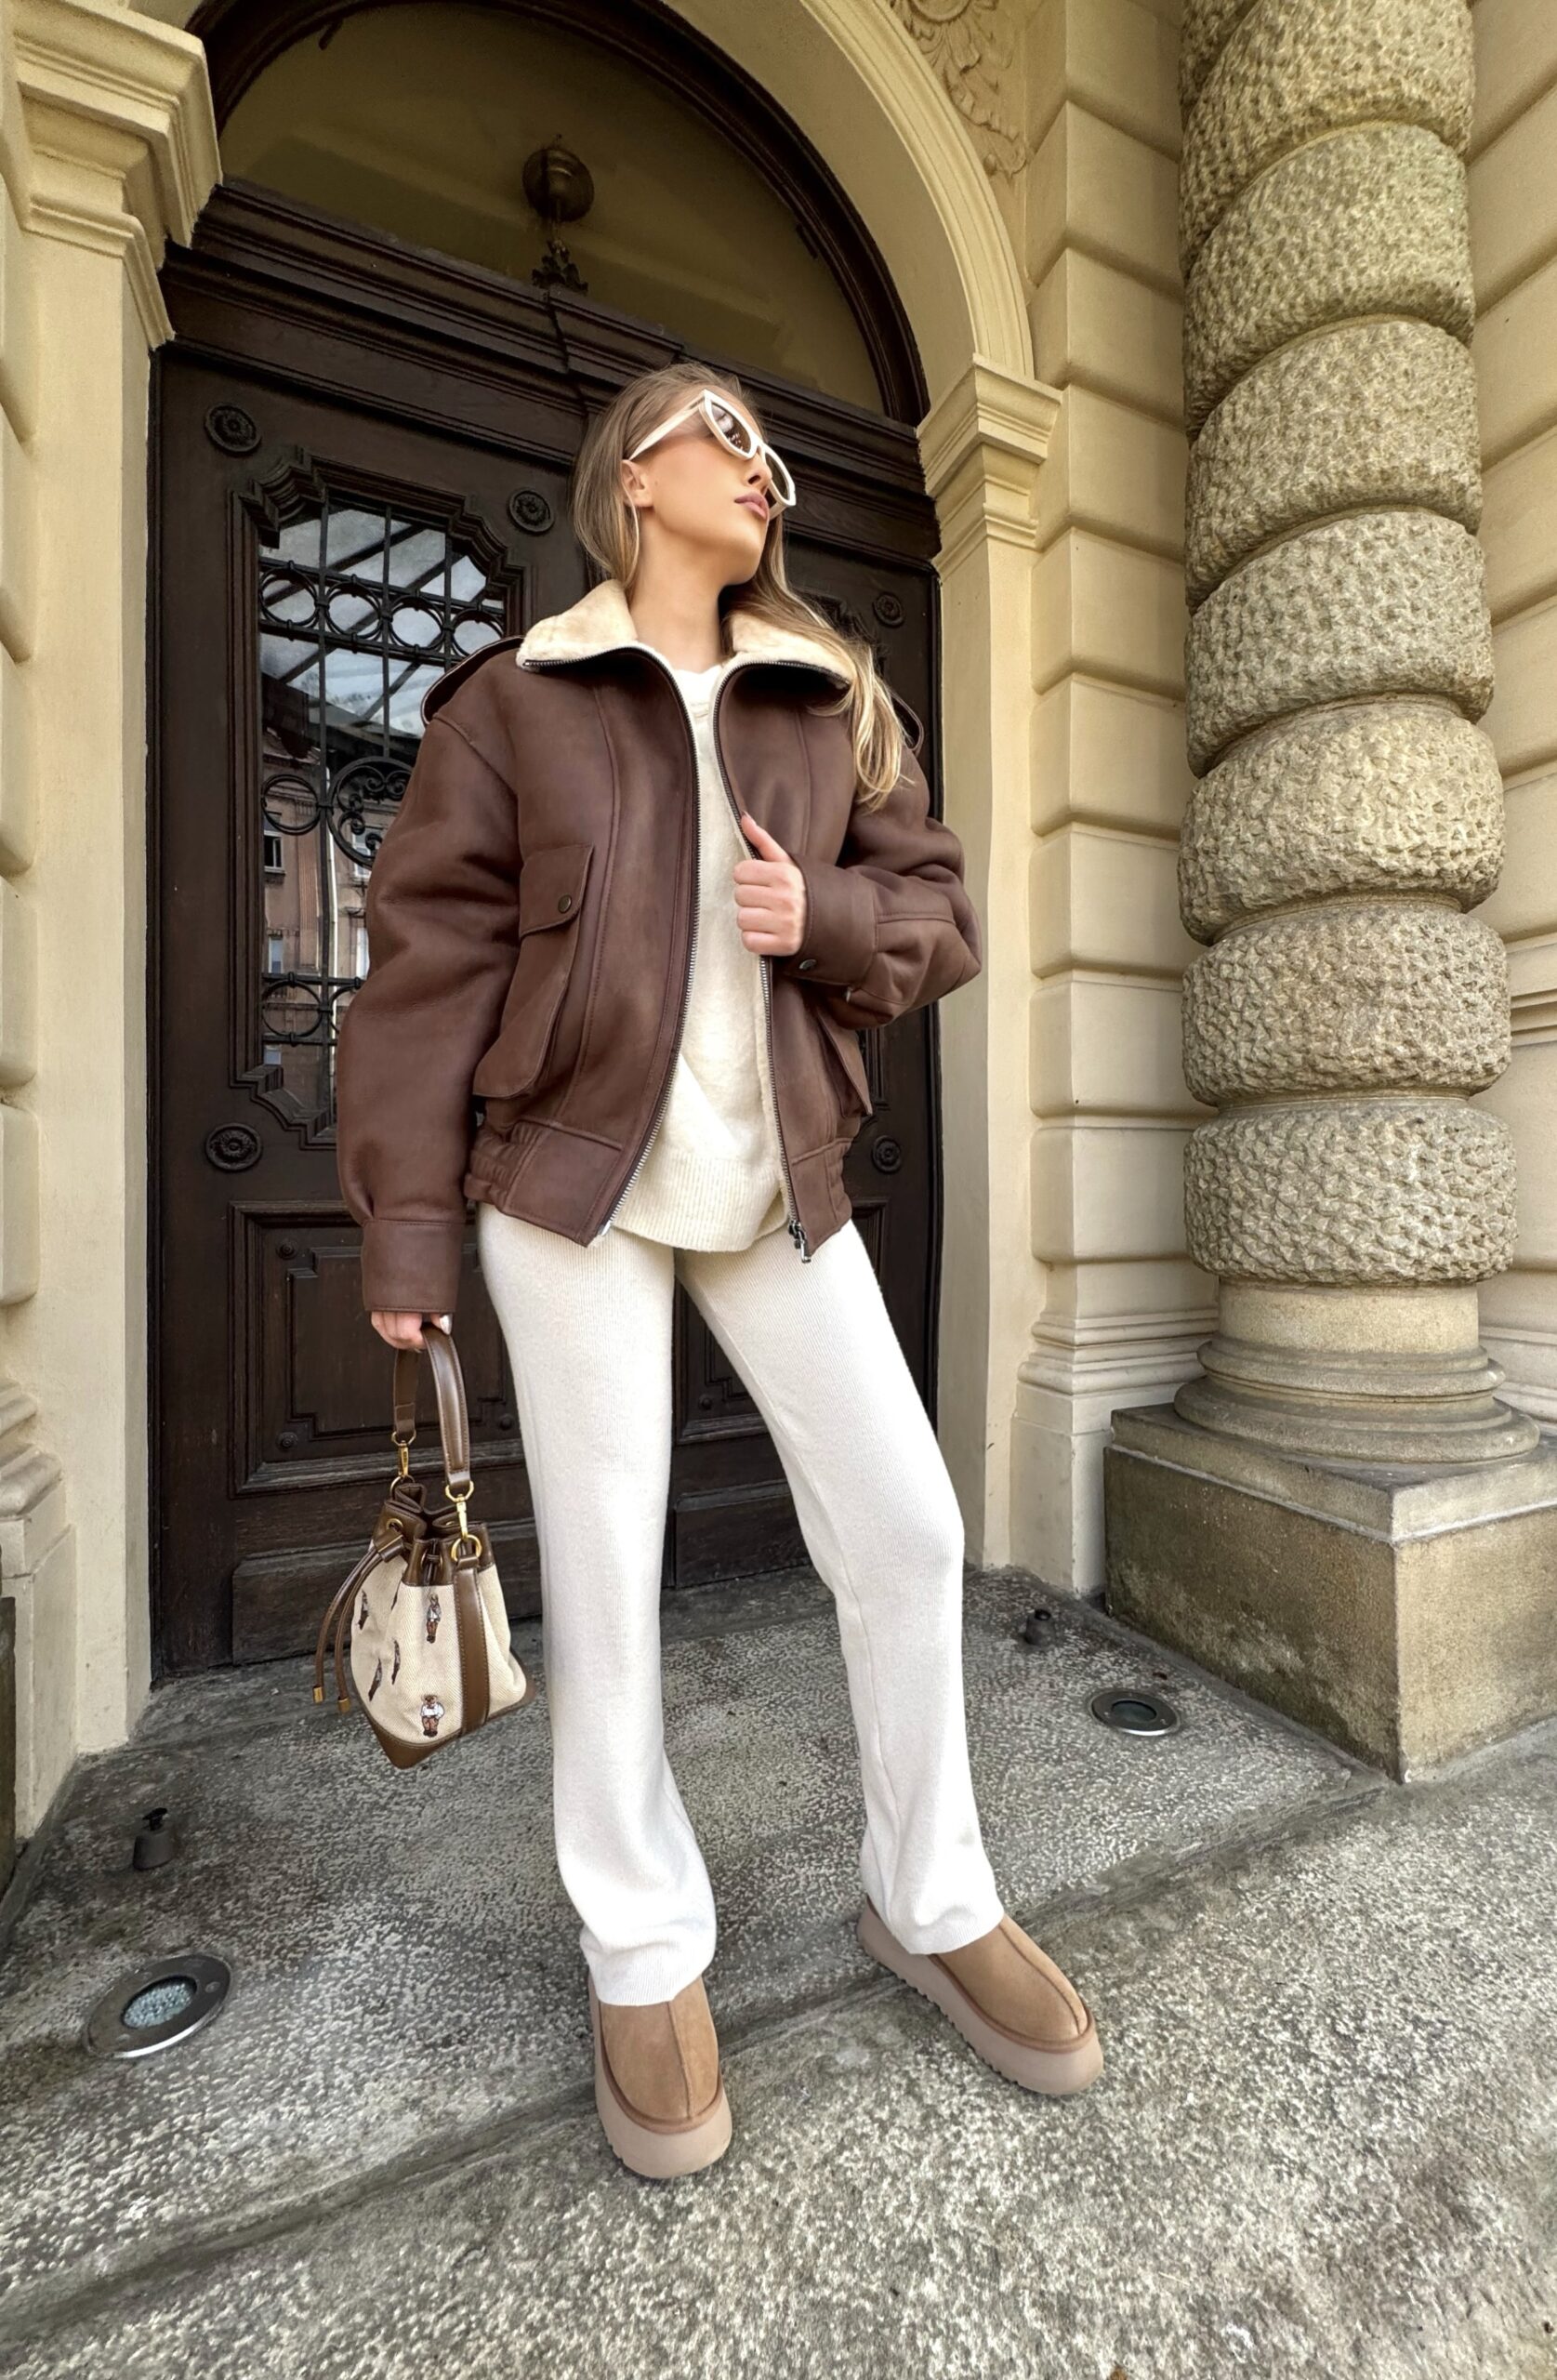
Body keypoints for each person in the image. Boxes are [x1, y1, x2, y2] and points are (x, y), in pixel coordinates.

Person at [335, 362, 1103, 2181]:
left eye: (772, 449)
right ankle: (641, 1951)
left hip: (776, 1188)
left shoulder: (829, 696)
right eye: (724, 431)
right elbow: (429, 967)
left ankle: (930, 1895)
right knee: (608, 1584)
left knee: (907, 1528)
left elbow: (936, 909)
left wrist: (817, 914)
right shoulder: (514, 699)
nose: (763, 467)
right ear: (633, 472)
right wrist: (407, 1223)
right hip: (566, 1190)